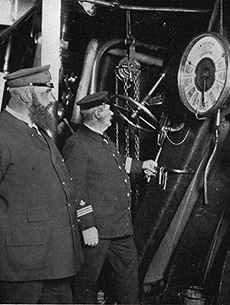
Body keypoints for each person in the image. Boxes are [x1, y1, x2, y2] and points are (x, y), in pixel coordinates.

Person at [0, 65, 86, 304]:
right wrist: (1, 234)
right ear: (27, 94)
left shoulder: (38, 133)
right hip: (21, 262)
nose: (53, 99)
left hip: (54, 257)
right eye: (47, 92)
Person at [62, 91, 158, 304]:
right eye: (108, 109)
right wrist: (86, 225)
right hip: (97, 231)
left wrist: (142, 166)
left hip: (120, 229)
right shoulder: (77, 144)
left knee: (129, 282)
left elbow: (117, 161)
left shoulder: (103, 140)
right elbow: (74, 188)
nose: (112, 113)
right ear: (97, 113)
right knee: (86, 285)